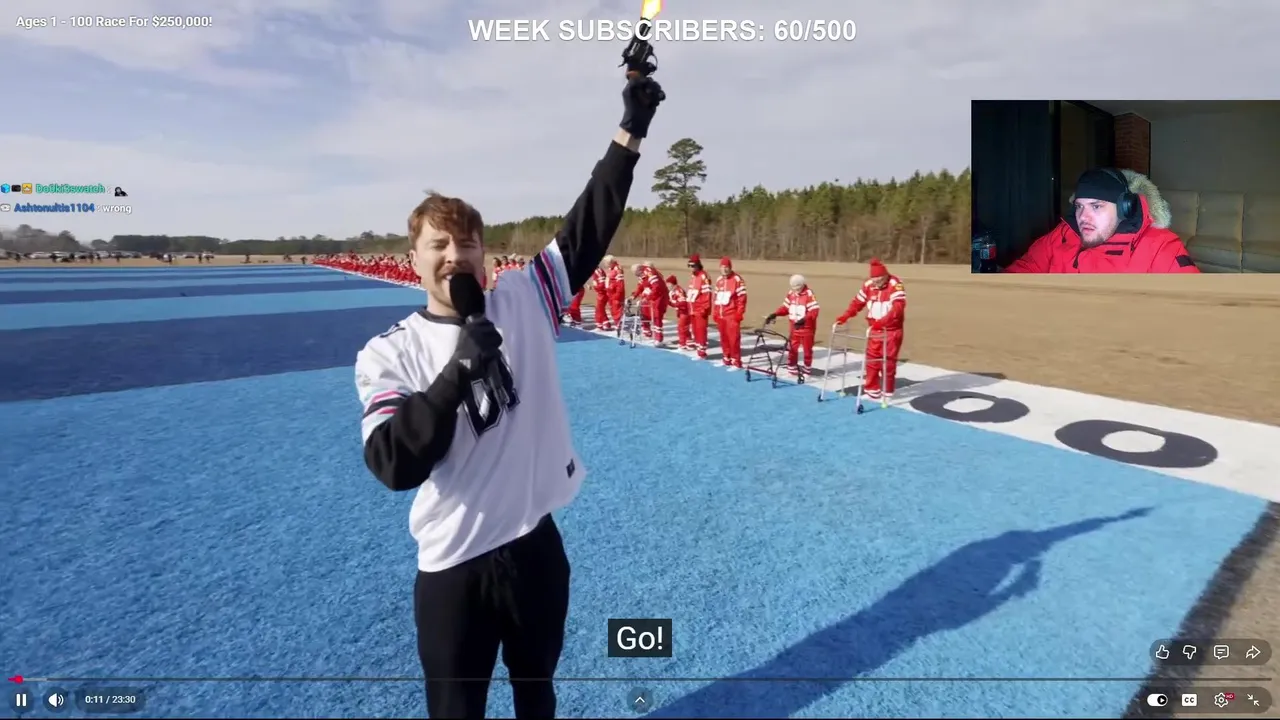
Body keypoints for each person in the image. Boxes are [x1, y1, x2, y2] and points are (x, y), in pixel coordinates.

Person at [353, 75, 663, 719]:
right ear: (414, 258)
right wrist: (455, 375)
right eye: (439, 244)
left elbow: (588, 225)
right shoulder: (389, 352)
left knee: (537, 695)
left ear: (485, 254)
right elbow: (393, 465)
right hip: (453, 565)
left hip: (534, 547)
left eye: (468, 243)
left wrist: (630, 131)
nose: (455, 255)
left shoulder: (525, 299)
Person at [1005, 168, 1200, 273]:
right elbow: (1025, 268)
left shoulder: (1161, 248)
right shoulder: (1062, 234)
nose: (1083, 217)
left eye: (1096, 206)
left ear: (1124, 208)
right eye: (1079, 206)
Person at [834, 258, 906, 404]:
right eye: (874, 279)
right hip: (874, 329)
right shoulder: (868, 285)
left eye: (879, 279)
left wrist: (883, 322)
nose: (876, 282)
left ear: (885, 276)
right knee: (872, 360)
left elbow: (898, 308)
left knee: (888, 362)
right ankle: (872, 390)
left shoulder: (895, 284)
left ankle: (887, 391)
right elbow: (858, 302)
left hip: (891, 330)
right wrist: (846, 316)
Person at [765, 274, 819, 377]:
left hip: (806, 329)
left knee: (807, 351)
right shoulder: (791, 294)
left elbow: (814, 311)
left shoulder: (809, 294)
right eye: (794, 288)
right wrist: (775, 314)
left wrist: (804, 320)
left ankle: (806, 370)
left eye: (798, 288)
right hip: (794, 328)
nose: (796, 290)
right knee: (792, 349)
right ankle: (792, 369)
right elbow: (785, 308)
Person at [712, 256, 747, 369]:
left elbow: (742, 298)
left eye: (726, 267)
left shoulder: (737, 280)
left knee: (733, 339)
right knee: (724, 338)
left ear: (730, 267)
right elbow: (716, 298)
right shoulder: (719, 280)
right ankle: (726, 358)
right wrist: (715, 312)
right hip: (721, 315)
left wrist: (739, 313)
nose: (724, 269)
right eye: (722, 267)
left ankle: (736, 361)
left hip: (731, 315)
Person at [685, 254, 713, 360]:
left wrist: (704, 308)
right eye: (690, 266)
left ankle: (702, 352)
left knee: (701, 331)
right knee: (695, 330)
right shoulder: (693, 277)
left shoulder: (703, 276)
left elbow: (707, 294)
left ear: (698, 265)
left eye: (693, 266)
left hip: (700, 309)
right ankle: (698, 350)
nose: (691, 268)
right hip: (693, 309)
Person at [667, 275, 691, 350]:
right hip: (681, 312)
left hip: (684, 312)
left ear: (672, 284)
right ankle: (689, 342)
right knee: (685, 328)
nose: (667, 286)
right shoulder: (672, 291)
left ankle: (682, 345)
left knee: (681, 328)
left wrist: (673, 304)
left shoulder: (678, 291)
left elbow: (683, 302)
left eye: (668, 284)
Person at [604, 255, 626, 330]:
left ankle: (619, 324)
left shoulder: (618, 269)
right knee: (612, 309)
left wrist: (618, 293)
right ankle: (617, 323)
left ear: (611, 262)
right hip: (610, 293)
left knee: (617, 309)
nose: (606, 264)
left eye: (607, 263)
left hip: (616, 293)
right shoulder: (611, 268)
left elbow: (620, 283)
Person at [590, 265, 610, 330]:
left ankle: (602, 324)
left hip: (602, 293)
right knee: (600, 308)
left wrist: (596, 288)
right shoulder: (599, 270)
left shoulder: (597, 272)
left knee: (599, 309)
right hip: (604, 292)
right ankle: (604, 323)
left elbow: (601, 283)